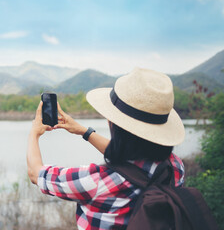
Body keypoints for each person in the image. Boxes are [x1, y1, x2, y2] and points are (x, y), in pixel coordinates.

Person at [26, 68, 185, 230]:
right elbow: (130, 159)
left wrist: (34, 133)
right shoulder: (174, 167)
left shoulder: (96, 181)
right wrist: (84, 131)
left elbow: (36, 173)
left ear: (114, 124)